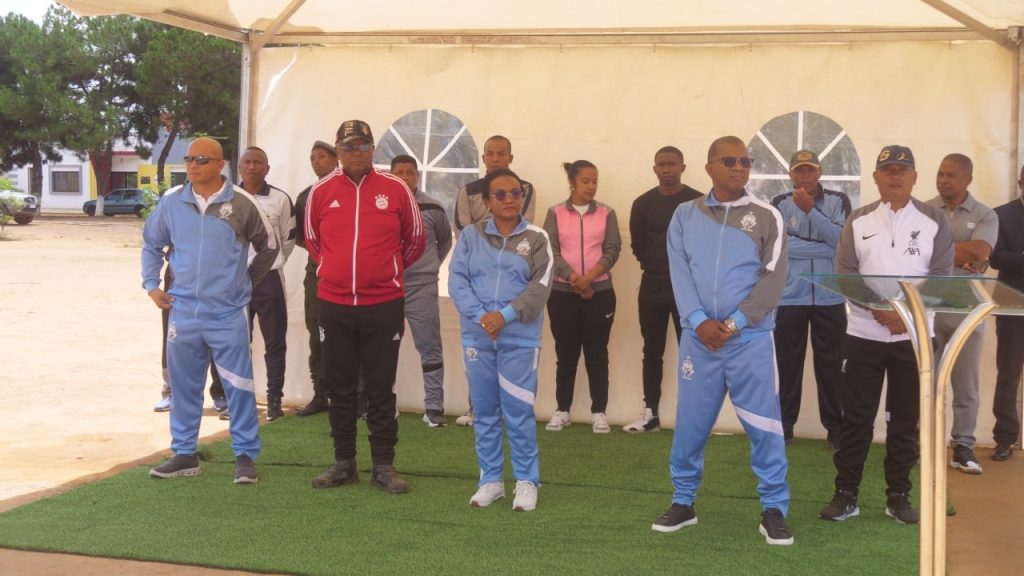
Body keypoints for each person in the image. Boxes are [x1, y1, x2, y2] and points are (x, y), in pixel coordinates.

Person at [652, 136, 793, 546]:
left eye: (745, 161)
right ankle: (683, 502)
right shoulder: (684, 215)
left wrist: (732, 324)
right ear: (709, 167)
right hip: (699, 342)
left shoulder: (767, 216)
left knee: (764, 427)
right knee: (690, 426)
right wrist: (698, 322)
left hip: (750, 340)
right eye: (729, 161)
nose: (739, 167)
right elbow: (678, 271)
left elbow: (774, 280)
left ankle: (773, 509)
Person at [820, 145, 953, 525]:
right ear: (876, 177)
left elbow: (941, 277)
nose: (895, 175)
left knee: (905, 420)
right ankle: (846, 494)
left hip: (914, 335)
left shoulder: (934, 221)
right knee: (856, 419)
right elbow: (846, 273)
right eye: (888, 170)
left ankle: (898, 496)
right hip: (864, 334)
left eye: (902, 170)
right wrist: (879, 309)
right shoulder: (858, 220)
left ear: (914, 177)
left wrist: (903, 313)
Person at [141, 137, 278, 484]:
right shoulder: (172, 201)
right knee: (184, 386)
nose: (193, 165)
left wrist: (244, 283)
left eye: (201, 159)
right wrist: (152, 285)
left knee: (238, 386)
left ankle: (244, 456)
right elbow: (152, 243)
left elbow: (268, 247)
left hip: (227, 313)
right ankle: (184, 453)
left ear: (220, 164)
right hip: (184, 311)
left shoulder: (242, 202)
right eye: (189, 159)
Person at [304, 120, 425, 494]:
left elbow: (415, 240)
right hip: (334, 305)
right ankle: (344, 462)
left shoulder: (396, 189)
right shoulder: (321, 191)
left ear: (373, 149)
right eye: (348, 146)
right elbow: (313, 241)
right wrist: (335, 269)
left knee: (380, 387)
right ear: (338, 151)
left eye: (362, 145)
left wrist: (386, 270)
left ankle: (384, 466)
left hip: (383, 305)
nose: (355, 152)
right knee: (339, 388)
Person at [448, 167, 552, 512]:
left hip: (520, 340)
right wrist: (483, 317)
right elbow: (457, 280)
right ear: (487, 201)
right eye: (501, 194)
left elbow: (540, 287)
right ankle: (490, 480)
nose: (510, 199)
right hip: (477, 338)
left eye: (516, 193)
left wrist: (503, 316)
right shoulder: (470, 236)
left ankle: (526, 481)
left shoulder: (537, 238)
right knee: (485, 412)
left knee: (518, 412)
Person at [452, 134, 538, 427]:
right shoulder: (467, 191)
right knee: (479, 360)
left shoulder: (525, 189)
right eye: (491, 153)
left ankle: (510, 413)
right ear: (484, 158)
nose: (497, 158)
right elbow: (464, 231)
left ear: (510, 158)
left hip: (512, 288)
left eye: (502, 154)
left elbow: (521, 226)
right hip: (479, 283)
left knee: (515, 370)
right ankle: (475, 407)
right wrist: (485, 248)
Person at [770, 150, 851, 448]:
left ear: (820, 172)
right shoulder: (779, 203)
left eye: (810, 170)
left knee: (832, 367)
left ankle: (835, 429)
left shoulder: (838, 200)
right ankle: (785, 427)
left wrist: (810, 212)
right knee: (787, 365)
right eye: (799, 170)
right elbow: (780, 247)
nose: (805, 176)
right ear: (790, 174)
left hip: (830, 297)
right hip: (790, 297)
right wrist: (826, 243)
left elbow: (842, 242)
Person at [926, 154, 997, 474]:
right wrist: (958, 252)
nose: (943, 180)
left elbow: (981, 252)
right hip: (927, 310)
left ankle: (963, 446)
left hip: (967, 313)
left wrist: (937, 251)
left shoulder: (985, 215)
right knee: (925, 382)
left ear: (968, 179)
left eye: (950, 175)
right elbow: (914, 251)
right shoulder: (924, 210)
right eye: (940, 174)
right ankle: (923, 443)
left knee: (966, 386)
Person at [625, 146, 703, 433]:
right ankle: (651, 414)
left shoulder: (698, 202)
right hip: (653, 285)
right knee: (652, 350)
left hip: (689, 288)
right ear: (654, 169)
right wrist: (657, 266)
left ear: (683, 167)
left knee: (691, 351)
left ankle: (694, 415)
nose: (667, 169)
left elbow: (705, 244)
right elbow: (638, 245)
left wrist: (683, 274)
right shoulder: (642, 203)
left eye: (672, 164)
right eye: (661, 164)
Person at [542, 160, 621, 434]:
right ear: (572, 183)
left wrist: (591, 277)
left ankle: (599, 412)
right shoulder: (554, 213)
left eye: (595, 181)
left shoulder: (607, 213)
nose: (591, 186)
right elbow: (550, 250)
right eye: (585, 181)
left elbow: (613, 248)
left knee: (597, 354)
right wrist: (575, 278)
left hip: (600, 294)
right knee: (566, 354)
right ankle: (562, 410)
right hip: (562, 294)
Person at [390, 154, 453, 427]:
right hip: (388, 287)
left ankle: (434, 407)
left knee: (429, 346)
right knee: (383, 348)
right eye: (400, 172)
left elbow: (445, 242)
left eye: (410, 172)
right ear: (391, 175)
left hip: (422, 288)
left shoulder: (433, 207)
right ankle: (385, 404)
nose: (405, 177)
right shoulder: (381, 204)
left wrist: (429, 267)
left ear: (418, 176)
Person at [294, 140, 338, 417]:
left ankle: (355, 396)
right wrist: (322, 257)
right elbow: (301, 238)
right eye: (312, 158)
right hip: (317, 272)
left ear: (336, 159)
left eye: (321, 156)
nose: (316, 161)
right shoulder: (305, 197)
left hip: (348, 275)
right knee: (316, 331)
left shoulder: (351, 191)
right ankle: (321, 393)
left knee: (349, 334)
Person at [988, 164, 1024, 462]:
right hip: (1012, 306)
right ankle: (1005, 438)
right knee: (1009, 374)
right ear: (1021, 182)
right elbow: (995, 257)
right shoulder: (1001, 214)